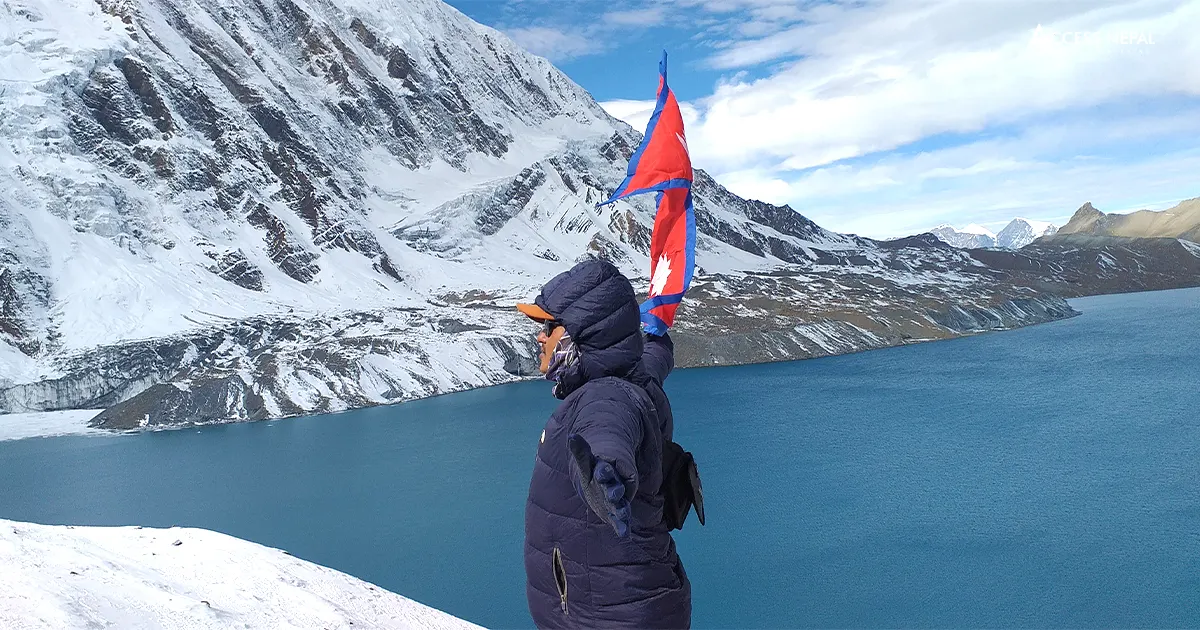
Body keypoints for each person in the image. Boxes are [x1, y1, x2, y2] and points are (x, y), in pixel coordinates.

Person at [519, 258, 690, 629]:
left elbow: (606, 433)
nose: (540, 337)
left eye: (548, 326)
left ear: (582, 334)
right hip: (631, 604)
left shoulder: (605, 395)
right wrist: (656, 338)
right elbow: (652, 358)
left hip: (611, 616)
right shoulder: (631, 375)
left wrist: (604, 475)